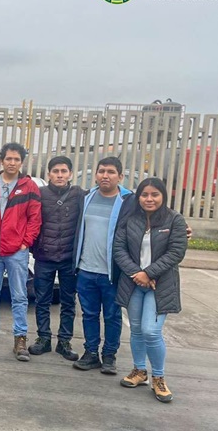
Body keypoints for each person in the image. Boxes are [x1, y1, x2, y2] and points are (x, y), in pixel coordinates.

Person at [114, 178, 187, 403]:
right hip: (134, 283)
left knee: (151, 331)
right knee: (136, 329)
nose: (149, 199)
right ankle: (139, 371)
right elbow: (119, 249)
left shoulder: (174, 220)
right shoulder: (131, 219)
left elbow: (176, 252)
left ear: (163, 196)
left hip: (160, 285)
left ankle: (159, 377)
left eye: (154, 194)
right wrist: (137, 274)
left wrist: (150, 273)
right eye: (144, 194)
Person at [0, 142, 42, 361]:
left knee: (19, 296)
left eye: (16, 159)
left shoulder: (29, 186)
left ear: (21, 162)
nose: (12, 163)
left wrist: (26, 242)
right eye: (8, 159)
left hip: (16, 251)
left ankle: (20, 338)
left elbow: (35, 218)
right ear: (1, 161)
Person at [72, 156, 136, 374]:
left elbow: (155, 217)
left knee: (112, 315)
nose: (105, 176)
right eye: (101, 171)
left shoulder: (129, 202)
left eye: (110, 172)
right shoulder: (86, 198)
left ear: (120, 176)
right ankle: (91, 353)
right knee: (89, 314)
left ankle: (109, 355)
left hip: (112, 272)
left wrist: (181, 228)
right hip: (86, 270)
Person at [28, 156, 84, 361]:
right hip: (44, 257)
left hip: (69, 258)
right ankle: (43, 339)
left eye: (63, 171)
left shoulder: (79, 194)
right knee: (42, 300)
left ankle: (64, 341)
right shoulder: (39, 194)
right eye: (55, 171)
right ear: (48, 174)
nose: (60, 175)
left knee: (68, 302)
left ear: (70, 174)